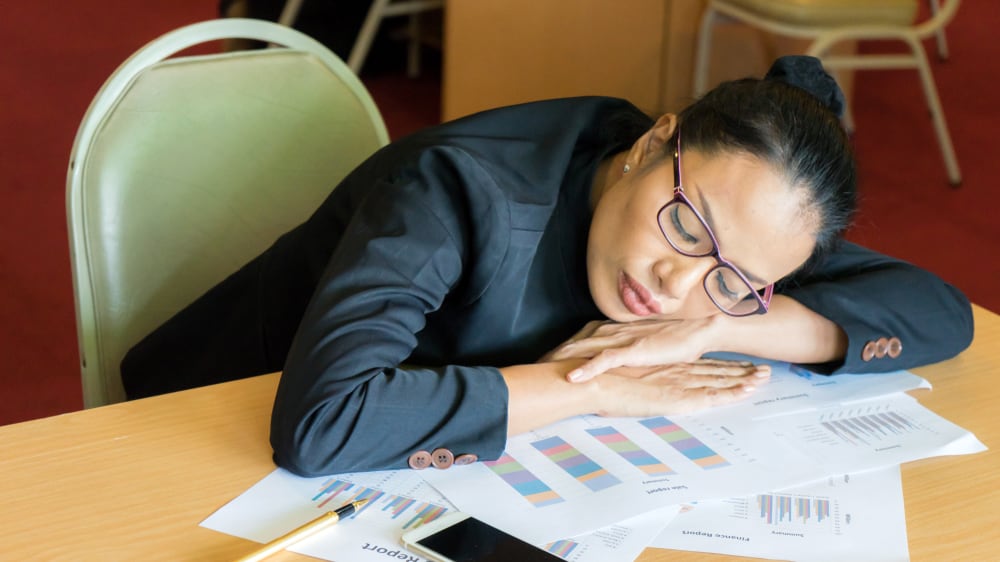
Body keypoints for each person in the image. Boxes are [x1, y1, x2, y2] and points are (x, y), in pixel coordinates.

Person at [121, 56, 973, 477]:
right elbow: (321, 425)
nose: (675, 283)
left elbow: (941, 313)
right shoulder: (462, 187)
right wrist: (593, 385)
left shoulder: (728, 253)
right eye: (684, 226)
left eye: (734, 278)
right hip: (193, 444)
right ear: (652, 143)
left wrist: (720, 321)